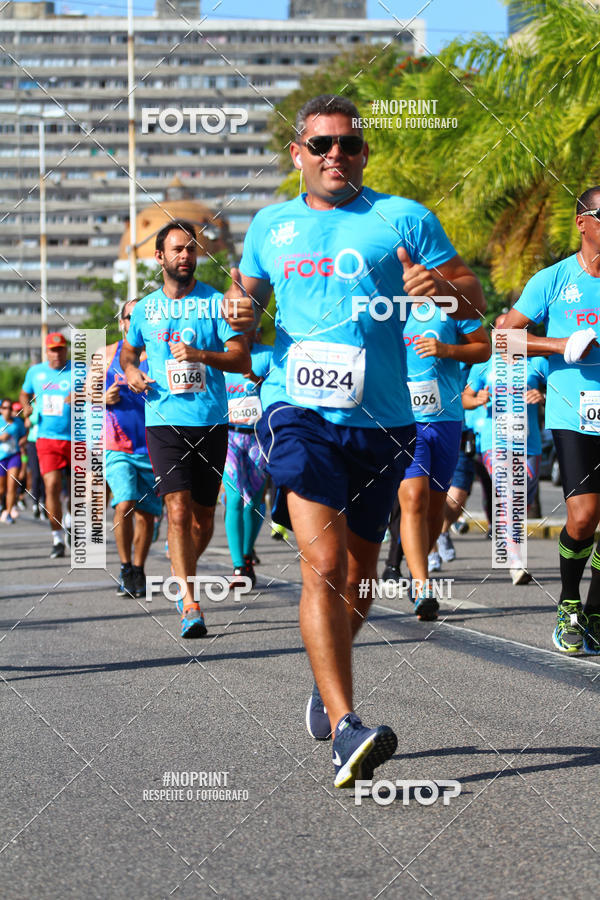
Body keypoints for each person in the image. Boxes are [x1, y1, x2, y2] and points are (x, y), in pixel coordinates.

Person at [226, 94, 485, 787]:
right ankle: (347, 728)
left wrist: (440, 286)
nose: (335, 154)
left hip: (384, 420)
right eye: (321, 144)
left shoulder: (405, 217)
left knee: (362, 579)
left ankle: (326, 678)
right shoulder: (271, 226)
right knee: (326, 564)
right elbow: (245, 305)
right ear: (298, 155)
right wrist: (237, 314)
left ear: (365, 152)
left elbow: (474, 304)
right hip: (297, 409)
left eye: (348, 143)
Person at [120, 220, 250, 639]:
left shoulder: (215, 304)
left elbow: (241, 359)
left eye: (191, 249)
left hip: (210, 420)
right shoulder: (145, 309)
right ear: (160, 257)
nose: (185, 256)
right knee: (176, 511)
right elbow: (128, 353)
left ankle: (180, 564)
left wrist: (201, 355)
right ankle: (190, 604)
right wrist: (131, 372)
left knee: (203, 520)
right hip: (164, 421)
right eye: (177, 249)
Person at [503, 186, 600, 653]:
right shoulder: (554, 279)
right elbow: (504, 337)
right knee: (583, 517)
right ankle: (568, 601)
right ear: (582, 222)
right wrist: (560, 345)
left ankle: (595, 613)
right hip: (574, 412)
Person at [398, 303, 490, 618]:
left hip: (446, 419)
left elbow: (483, 348)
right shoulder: (385, 302)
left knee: (436, 508)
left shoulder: (451, 303)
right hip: (402, 419)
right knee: (415, 497)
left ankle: (416, 570)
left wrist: (447, 350)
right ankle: (423, 585)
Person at [464, 314, 548, 585]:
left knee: (521, 500)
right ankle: (516, 562)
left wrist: (543, 396)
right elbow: (465, 397)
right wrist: (477, 398)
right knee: (510, 494)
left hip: (529, 445)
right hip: (495, 443)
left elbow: (559, 391)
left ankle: (509, 541)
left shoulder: (536, 363)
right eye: (499, 330)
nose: (504, 335)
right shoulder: (484, 365)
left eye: (512, 329)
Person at [96, 298, 163, 599]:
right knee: (124, 504)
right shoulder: (106, 354)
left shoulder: (160, 353)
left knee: (147, 515)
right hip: (117, 444)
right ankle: (125, 567)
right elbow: (81, 393)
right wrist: (101, 397)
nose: (135, 322)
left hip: (153, 446)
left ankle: (138, 568)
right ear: (122, 322)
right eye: (130, 317)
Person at [223, 328, 272, 588]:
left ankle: (246, 555)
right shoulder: (220, 357)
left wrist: (259, 381)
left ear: (257, 330)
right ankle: (238, 567)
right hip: (229, 436)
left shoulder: (269, 356)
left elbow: (281, 392)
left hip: (258, 438)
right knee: (233, 497)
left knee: (253, 502)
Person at [20, 332, 72, 558]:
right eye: (52, 350)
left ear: (66, 350)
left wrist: (82, 394)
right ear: (46, 351)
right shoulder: (35, 372)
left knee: (76, 491)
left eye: (60, 349)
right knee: (51, 486)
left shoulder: (80, 371)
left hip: (78, 438)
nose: (57, 354)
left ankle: (70, 520)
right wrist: (27, 407)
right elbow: (24, 394)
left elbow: (96, 392)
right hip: (47, 438)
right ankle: (57, 538)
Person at [0, 399, 27, 524]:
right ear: (1, 410)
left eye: (10, 408)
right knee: (1, 489)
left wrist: (23, 440)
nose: (8, 411)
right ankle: (2, 506)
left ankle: (9, 512)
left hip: (14, 456)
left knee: (12, 486)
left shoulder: (17, 422)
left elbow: (24, 434)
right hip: (1, 458)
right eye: (5, 408)